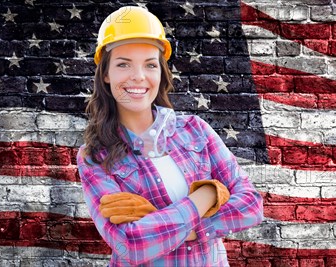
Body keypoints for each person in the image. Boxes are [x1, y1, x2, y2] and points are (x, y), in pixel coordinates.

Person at [76, 6, 264, 266]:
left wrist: (183, 229)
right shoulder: (94, 157)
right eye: (123, 64)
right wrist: (207, 195)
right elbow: (131, 244)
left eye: (150, 64)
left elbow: (251, 204)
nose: (139, 77)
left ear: (160, 71)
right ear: (106, 74)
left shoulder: (195, 130)